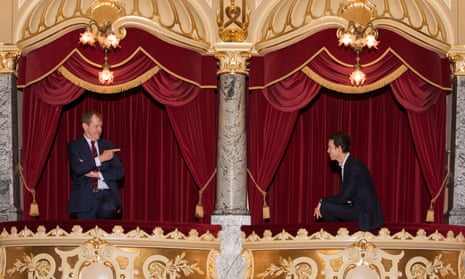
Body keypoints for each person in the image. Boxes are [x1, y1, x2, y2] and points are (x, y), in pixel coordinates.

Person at [313, 131, 383, 231]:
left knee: (325, 206)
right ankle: (335, 235)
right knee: (326, 206)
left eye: (330, 147)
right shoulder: (348, 165)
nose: (328, 151)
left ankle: (333, 237)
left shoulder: (355, 167)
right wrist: (324, 202)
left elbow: (344, 197)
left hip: (366, 213)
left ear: (339, 149)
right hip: (356, 207)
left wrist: (322, 201)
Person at [67, 109, 124, 219]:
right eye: (96, 126)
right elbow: (77, 168)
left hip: (106, 194)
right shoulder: (74, 146)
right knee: (85, 232)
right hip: (83, 197)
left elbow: (119, 172)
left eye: (101, 126)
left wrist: (98, 175)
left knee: (108, 208)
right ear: (85, 126)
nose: (100, 130)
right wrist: (100, 159)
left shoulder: (108, 146)